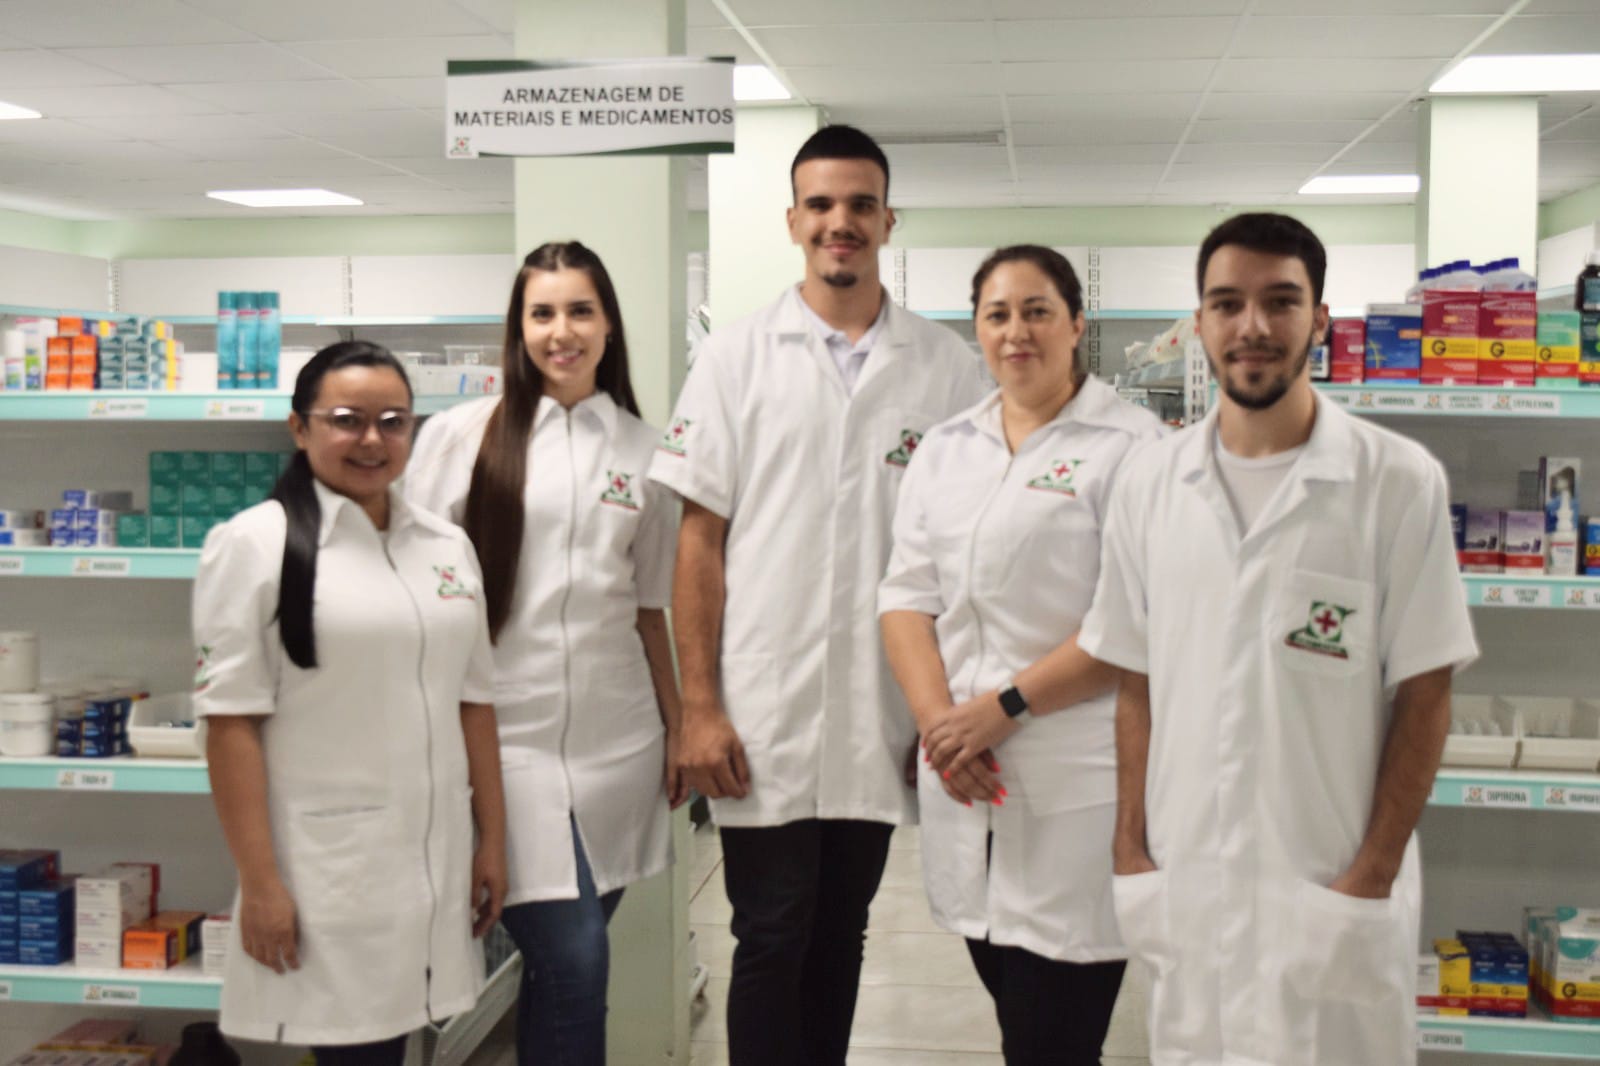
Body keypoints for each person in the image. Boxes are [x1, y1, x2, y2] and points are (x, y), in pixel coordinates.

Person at [1080, 213, 1479, 1066]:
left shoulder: (1395, 482)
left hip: (1330, 889)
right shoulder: (1149, 483)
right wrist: (1128, 848)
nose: (1251, 326)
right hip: (1187, 885)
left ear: (1319, 319)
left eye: (1279, 301)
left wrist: (1370, 874)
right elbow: (1134, 683)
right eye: (1226, 303)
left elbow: (1427, 694)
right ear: (1199, 323)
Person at [649, 125, 985, 1066]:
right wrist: (700, 707)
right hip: (764, 704)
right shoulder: (737, 357)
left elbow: (960, 556)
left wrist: (938, 709)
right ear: (794, 219)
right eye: (823, 205)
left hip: (883, 707)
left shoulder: (945, 365)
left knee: (844, 929)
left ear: (888, 220)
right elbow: (699, 541)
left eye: (861, 205)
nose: (842, 223)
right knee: (771, 931)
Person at [879, 245, 1161, 1066]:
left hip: (1075, 775)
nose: (1017, 332)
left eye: (1037, 311)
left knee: (1053, 1032)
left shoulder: (1134, 447)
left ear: (1077, 324)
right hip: (965, 775)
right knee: (1018, 1013)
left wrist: (1002, 709)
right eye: (997, 315)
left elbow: (1133, 618)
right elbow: (905, 596)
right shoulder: (946, 448)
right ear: (977, 331)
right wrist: (942, 724)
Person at [406, 241, 683, 1066]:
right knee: (575, 959)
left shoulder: (647, 450)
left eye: (580, 311)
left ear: (608, 325)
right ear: (518, 327)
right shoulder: (459, 439)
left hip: (620, 746)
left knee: (565, 966)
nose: (561, 331)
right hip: (503, 746)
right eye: (542, 312)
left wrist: (680, 726)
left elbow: (648, 610)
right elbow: (417, 597)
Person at [194, 341, 508, 1066]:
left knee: (393, 1046)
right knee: (356, 1052)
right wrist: (261, 885)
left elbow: (475, 702)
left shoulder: (445, 546)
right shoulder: (252, 545)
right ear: (300, 428)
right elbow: (231, 726)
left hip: (429, 862)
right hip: (328, 873)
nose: (372, 439)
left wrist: (490, 839)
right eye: (346, 419)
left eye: (393, 421)